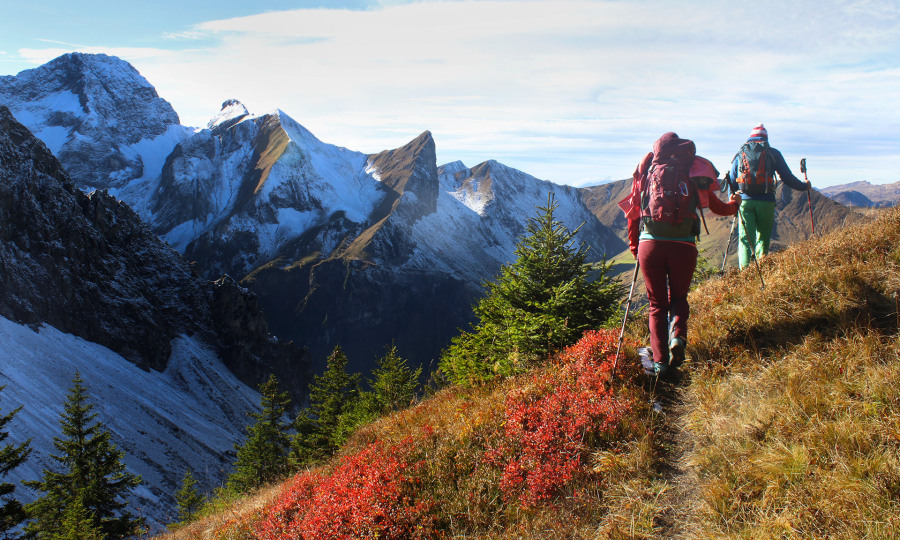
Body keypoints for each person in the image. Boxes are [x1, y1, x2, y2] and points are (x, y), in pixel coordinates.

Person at [619, 132, 740, 376]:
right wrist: (734, 205)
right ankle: (678, 337)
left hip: (650, 245)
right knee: (679, 298)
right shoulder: (693, 170)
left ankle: (661, 363)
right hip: (684, 246)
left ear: (659, 149)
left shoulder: (647, 171)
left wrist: (635, 247)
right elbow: (717, 207)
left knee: (656, 305)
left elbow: (634, 212)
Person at [728, 123, 811, 269]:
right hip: (766, 201)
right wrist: (804, 186)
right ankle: (762, 268)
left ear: (750, 138)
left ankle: (745, 274)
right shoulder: (773, 153)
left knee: (746, 239)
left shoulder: (740, 154)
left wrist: (732, 203)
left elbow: (732, 180)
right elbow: (787, 176)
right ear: (765, 138)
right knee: (763, 237)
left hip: (745, 202)